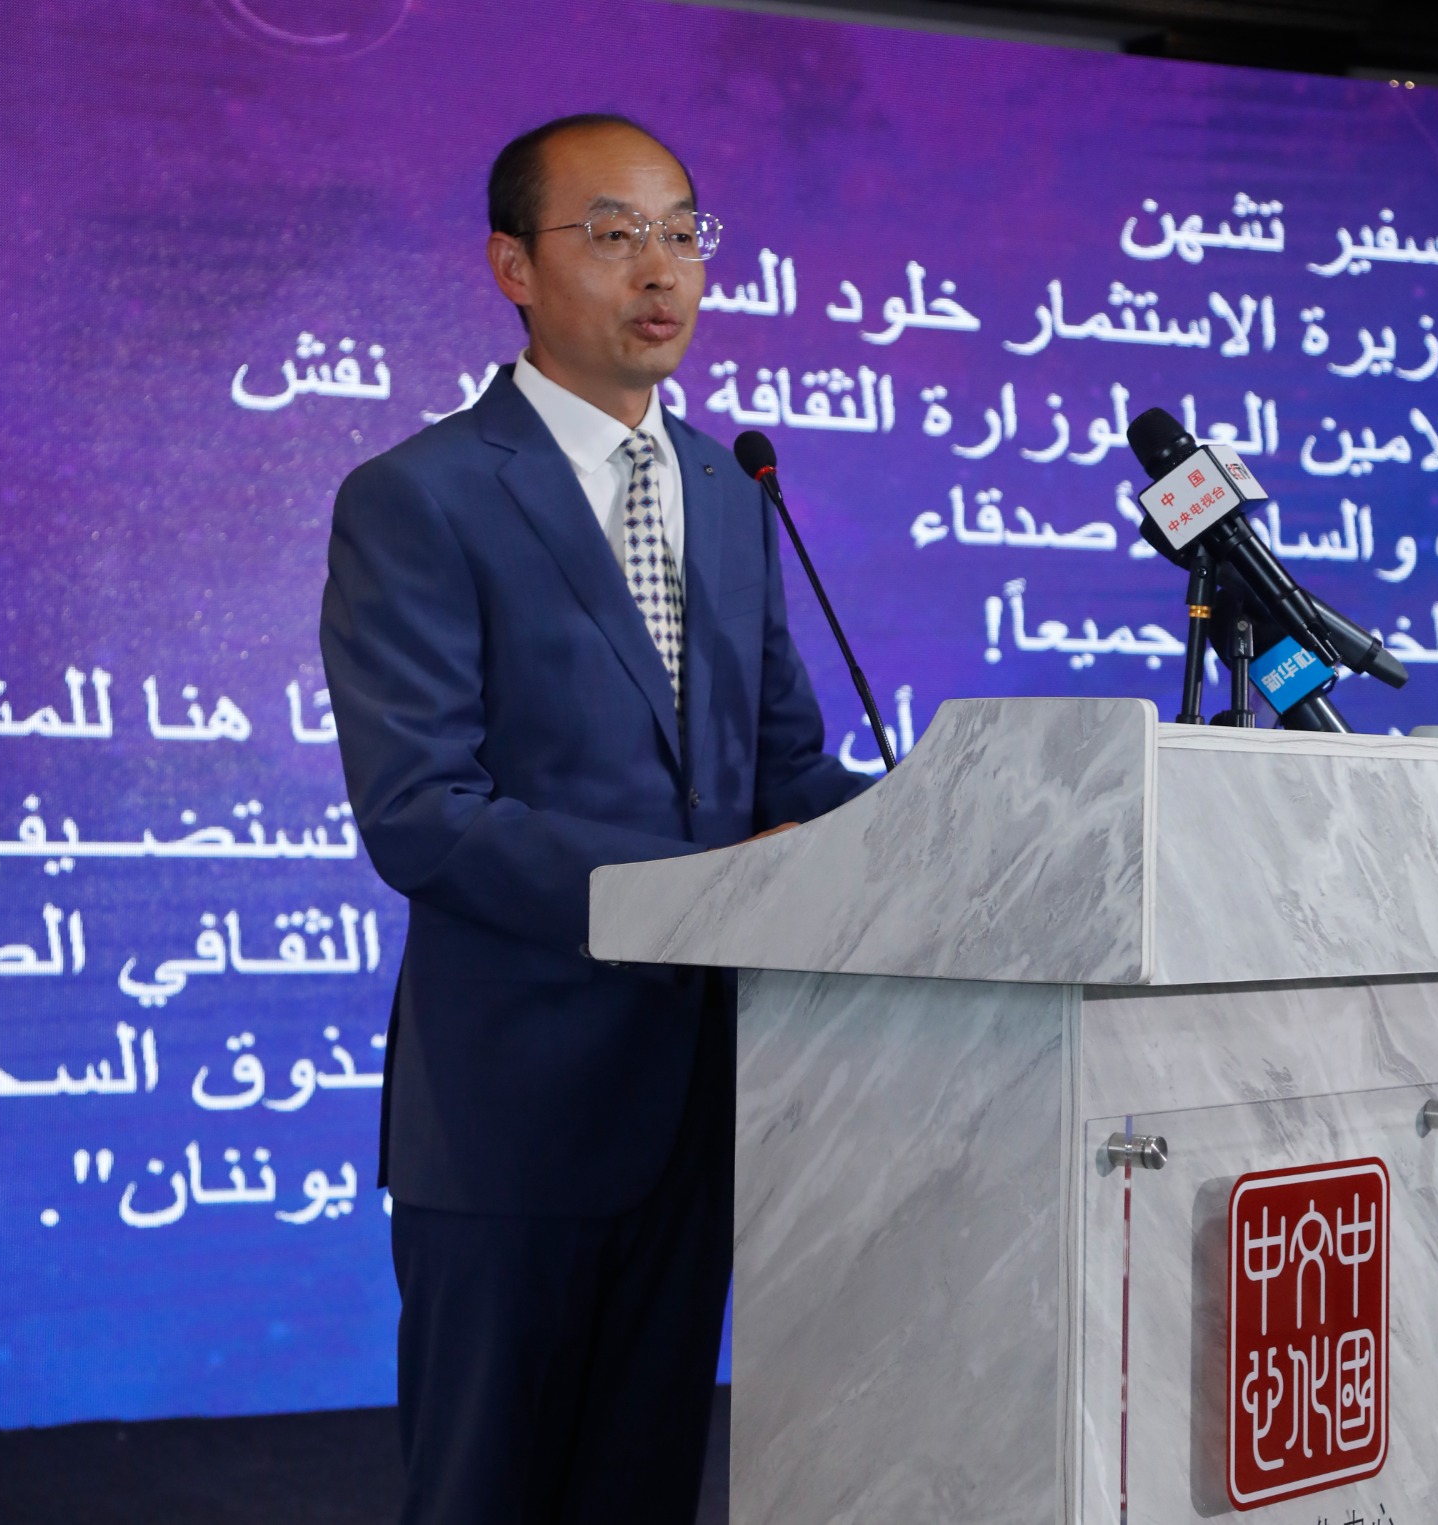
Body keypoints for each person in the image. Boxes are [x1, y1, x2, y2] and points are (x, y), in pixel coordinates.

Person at [320, 112, 869, 1525]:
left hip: (698, 1111)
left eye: (684, 233)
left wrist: (951, 823)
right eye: (615, 234)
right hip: (511, 1119)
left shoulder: (729, 491)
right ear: (513, 265)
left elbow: (786, 776)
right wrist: (704, 891)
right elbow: (423, 812)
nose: (661, 268)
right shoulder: (419, 498)